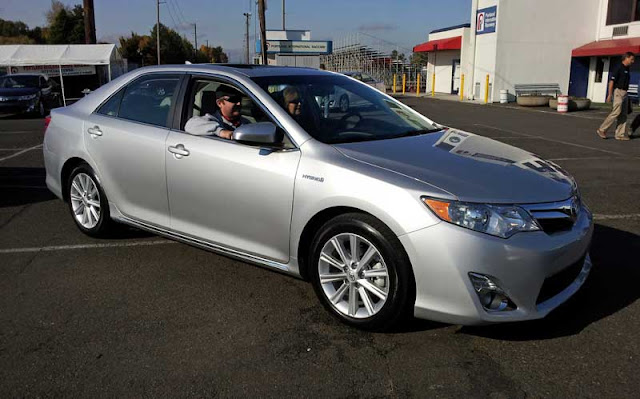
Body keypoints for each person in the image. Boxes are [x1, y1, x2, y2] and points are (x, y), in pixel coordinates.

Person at [184, 86, 251, 139]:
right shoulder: (212, 120)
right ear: (219, 103)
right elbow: (190, 125)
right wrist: (221, 132)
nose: (239, 103)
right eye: (234, 100)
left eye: (240, 100)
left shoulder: (246, 123)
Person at [597, 52, 635, 141]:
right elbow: (611, 81)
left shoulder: (627, 68)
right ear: (626, 58)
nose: (633, 61)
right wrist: (610, 94)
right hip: (618, 92)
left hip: (625, 93)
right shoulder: (618, 68)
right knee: (616, 112)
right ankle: (602, 129)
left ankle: (620, 134)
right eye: (632, 59)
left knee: (623, 115)